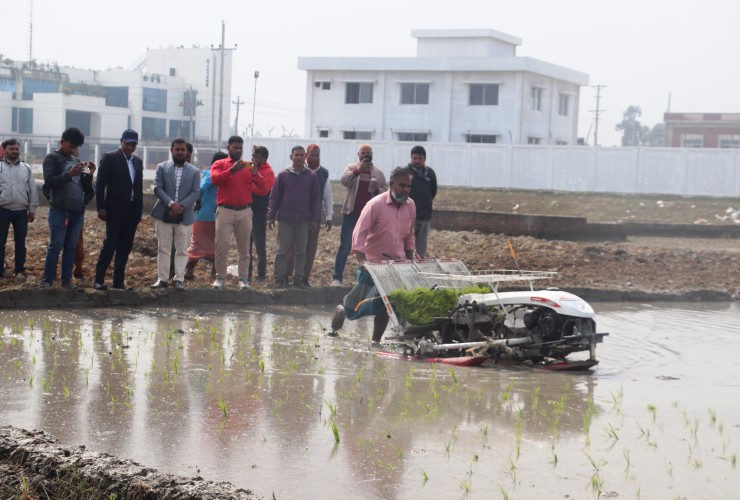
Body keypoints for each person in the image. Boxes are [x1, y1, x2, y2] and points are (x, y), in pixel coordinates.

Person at [331, 166, 416, 342]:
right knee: (359, 304)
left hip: (397, 264)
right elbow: (359, 233)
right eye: (402, 185)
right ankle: (343, 310)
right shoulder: (376, 204)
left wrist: (410, 258)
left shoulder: (411, 206)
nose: (405, 190)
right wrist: (362, 260)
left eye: (408, 186)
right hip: (373, 264)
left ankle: (376, 341)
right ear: (392, 184)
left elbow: (410, 235)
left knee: (386, 304)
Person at [40, 127, 96, 289]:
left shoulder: (77, 162)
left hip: (77, 211)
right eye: (71, 146)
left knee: (71, 247)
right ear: (62, 142)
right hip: (60, 210)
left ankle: (67, 281)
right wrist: (68, 175)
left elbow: (85, 185)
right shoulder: (52, 159)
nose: (74, 150)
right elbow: (49, 182)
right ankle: (48, 281)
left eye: (76, 147)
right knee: (55, 245)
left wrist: (90, 174)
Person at [210, 136, 265, 290]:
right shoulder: (219, 164)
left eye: (240, 148)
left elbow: (262, 186)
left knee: (244, 248)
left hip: (245, 212)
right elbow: (215, 180)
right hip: (224, 211)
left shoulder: (249, 166)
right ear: (229, 147)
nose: (238, 150)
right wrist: (232, 170)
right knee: (222, 246)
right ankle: (220, 278)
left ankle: (243, 279)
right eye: (235, 147)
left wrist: (256, 173)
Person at [92, 129, 144, 290]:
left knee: (125, 246)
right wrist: (100, 207)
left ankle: (118, 281)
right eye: (127, 144)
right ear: (121, 141)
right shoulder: (109, 158)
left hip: (132, 209)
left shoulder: (137, 162)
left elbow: (139, 187)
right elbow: (100, 185)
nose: (130, 147)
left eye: (133, 144)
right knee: (110, 244)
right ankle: (99, 279)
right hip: (114, 209)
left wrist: (139, 211)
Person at [331, 143, 386, 287]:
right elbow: (344, 181)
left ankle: (363, 280)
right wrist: (357, 171)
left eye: (369, 153)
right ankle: (337, 278)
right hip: (351, 213)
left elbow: (386, 192)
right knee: (345, 246)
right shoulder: (351, 168)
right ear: (358, 155)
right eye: (363, 153)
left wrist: (377, 189)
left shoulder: (378, 173)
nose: (366, 156)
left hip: (370, 218)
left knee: (368, 248)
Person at [149, 138, 200, 291]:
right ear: (171, 150)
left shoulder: (194, 171)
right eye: (177, 149)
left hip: (185, 216)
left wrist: (181, 206)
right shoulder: (162, 167)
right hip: (164, 213)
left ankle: (179, 279)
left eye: (182, 150)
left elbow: (195, 192)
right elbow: (158, 188)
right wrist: (171, 204)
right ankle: (162, 279)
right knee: (163, 248)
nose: (179, 152)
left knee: (182, 249)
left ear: (187, 152)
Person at [267, 145, 321, 289]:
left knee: (301, 251)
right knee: (282, 251)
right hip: (285, 219)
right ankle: (280, 279)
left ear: (305, 158)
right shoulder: (283, 175)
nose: (299, 157)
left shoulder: (311, 176)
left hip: (304, 220)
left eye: (301, 155)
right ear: (291, 157)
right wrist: (271, 215)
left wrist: (316, 219)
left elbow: (316, 199)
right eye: (296, 155)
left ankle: (299, 280)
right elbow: (275, 197)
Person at [285, 143, 333, 287]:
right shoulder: (297, 170)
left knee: (310, 248)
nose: (314, 157)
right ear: (306, 155)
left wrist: (329, 216)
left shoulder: (323, 173)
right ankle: (287, 276)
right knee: (293, 247)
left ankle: (304, 278)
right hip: (297, 215)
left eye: (317, 155)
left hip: (314, 216)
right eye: (311, 154)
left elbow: (327, 196)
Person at [184, 151, 228, 280]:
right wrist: (197, 200)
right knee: (216, 246)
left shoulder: (210, 174)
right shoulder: (211, 175)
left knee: (198, 245)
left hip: (205, 215)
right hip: (209, 215)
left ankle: (188, 272)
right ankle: (212, 273)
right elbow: (201, 189)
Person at [0, 139, 39, 280]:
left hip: (21, 211)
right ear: (5, 151)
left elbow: (32, 189)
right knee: (0, 242)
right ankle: (0, 271)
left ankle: (19, 270)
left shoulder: (26, 168)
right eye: (11, 149)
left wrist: (32, 209)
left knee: (21, 242)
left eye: (17, 149)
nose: (15, 151)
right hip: (2, 210)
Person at [247, 145, 275, 284]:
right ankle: (247, 274)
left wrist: (249, 185)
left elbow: (263, 190)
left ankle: (261, 275)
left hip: (259, 213)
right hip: (245, 211)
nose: (253, 158)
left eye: (256, 156)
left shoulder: (268, 172)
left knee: (259, 246)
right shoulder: (248, 167)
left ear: (263, 158)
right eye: (252, 155)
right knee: (246, 245)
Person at [407, 145, 437, 259]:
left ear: (424, 159)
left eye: (419, 158)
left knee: (421, 250)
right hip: (408, 217)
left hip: (424, 216)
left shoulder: (430, 173)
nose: (417, 161)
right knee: (406, 247)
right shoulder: (406, 173)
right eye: (414, 158)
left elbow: (433, 192)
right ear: (411, 158)